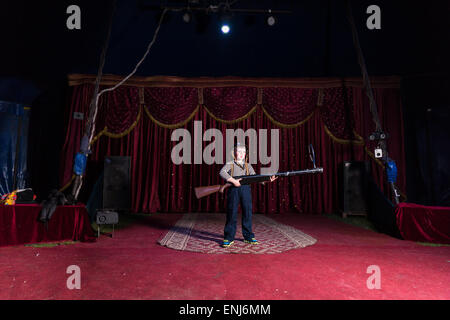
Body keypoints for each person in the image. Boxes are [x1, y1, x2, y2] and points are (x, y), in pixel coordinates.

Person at [219, 143, 277, 248]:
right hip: (234, 190)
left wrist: (267, 180)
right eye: (239, 151)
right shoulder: (230, 163)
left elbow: (255, 177)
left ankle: (248, 236)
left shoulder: (248, 166)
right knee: (232, 212)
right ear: (234, 153)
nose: (241, 154)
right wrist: (233, 181)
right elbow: (222, 172)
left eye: (243, 152)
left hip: (245, 190)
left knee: (247, 212)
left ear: (246, 154)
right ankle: (228, 237)